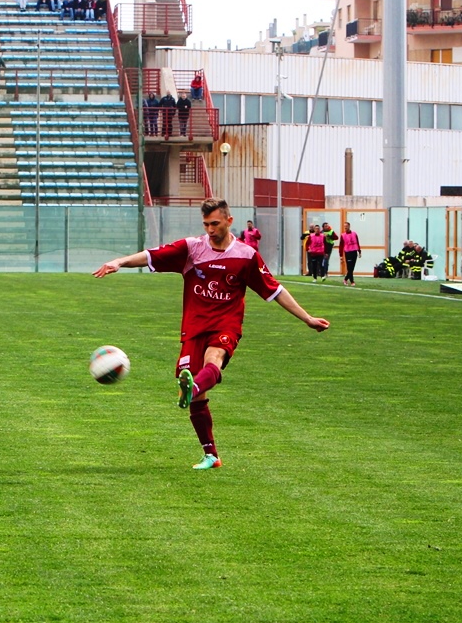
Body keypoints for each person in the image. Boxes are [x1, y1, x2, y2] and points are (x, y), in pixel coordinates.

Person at [92, 198, 329, 470]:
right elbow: (150, 255)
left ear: (229, 221)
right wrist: (119, 261)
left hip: (226, 324)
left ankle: (192, 388)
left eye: (215, 223)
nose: (210, 229)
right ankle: (211, 455)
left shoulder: (246, 255)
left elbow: (275, 290)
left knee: (213, 360)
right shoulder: (192, 249)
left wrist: (307, 318)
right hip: (194, 328)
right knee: (199, 395)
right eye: (206, 224)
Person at [340, 222, 362, 286]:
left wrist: (359, 251)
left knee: (352, 267)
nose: (345, 227)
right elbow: (341, 246)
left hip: (354, 251)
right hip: (347, 252)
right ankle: (352, 281)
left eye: (346, 226)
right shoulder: (343, 235)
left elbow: (357, 242)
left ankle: (345, 279)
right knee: (349, 268)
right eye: (344, 226)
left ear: (349, 226)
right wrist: (341, 255)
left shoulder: (354, 234)